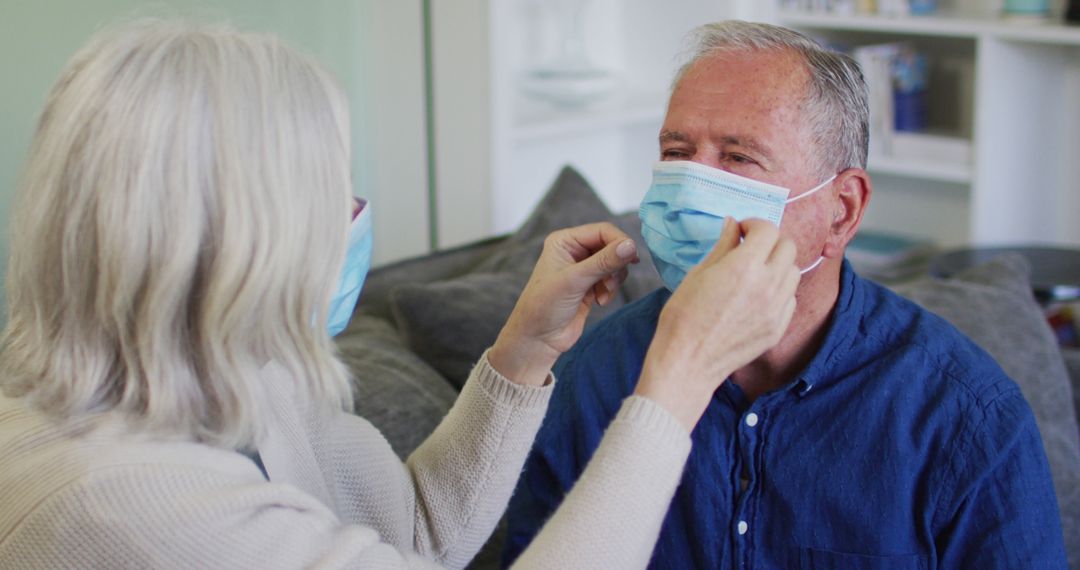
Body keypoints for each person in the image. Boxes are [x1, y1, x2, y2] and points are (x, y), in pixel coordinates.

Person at [0, 19, 803, 569]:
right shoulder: (133, 509)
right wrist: (680, 379)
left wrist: (520, 354)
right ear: (235, 233)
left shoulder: (240, 367)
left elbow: (413, 533)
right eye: (329, 188)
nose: (354, 213)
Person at [504, 20, 1068, 569]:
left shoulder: (966, 415)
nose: (687, 191)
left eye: (739, 158)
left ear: (841, 210)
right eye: (676, 153)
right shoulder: (591, 376)